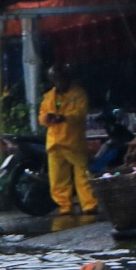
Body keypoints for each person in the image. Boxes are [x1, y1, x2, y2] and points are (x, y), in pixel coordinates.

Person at [40, 63, 97, 216]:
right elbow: (42, 117)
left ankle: (89, 204)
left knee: (82, 174)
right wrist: (48, 118)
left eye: (61, 78)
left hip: (73, 141)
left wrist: (64, 117)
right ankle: (64, 206)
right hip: (54, 143)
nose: (58, 81)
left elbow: (80, 113)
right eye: (55, 79)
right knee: (58, 178)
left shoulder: (78, 94)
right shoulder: (49, 97)